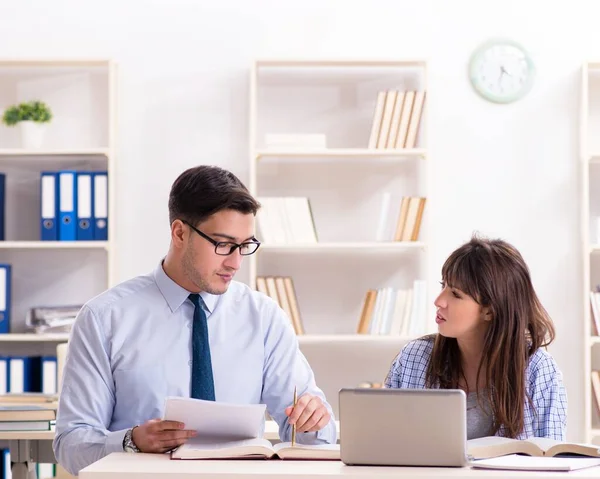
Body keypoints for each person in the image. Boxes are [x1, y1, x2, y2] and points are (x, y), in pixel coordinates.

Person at [53, 165, 337, 475]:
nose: (235, 262)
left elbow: (314, 440)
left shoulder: (264, 318)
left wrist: (314, 421)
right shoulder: (104, 318)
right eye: (223, 245)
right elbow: (70, 445)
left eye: (245, 246)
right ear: (179, 233)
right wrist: (130, 441)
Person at [384, 234, 567, 441]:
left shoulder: (538, 370)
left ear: (489, 311)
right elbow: (385, 442)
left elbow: (552, 461)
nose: (438, 301)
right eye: (442, 285)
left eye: (455, 294)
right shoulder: (414, 358)